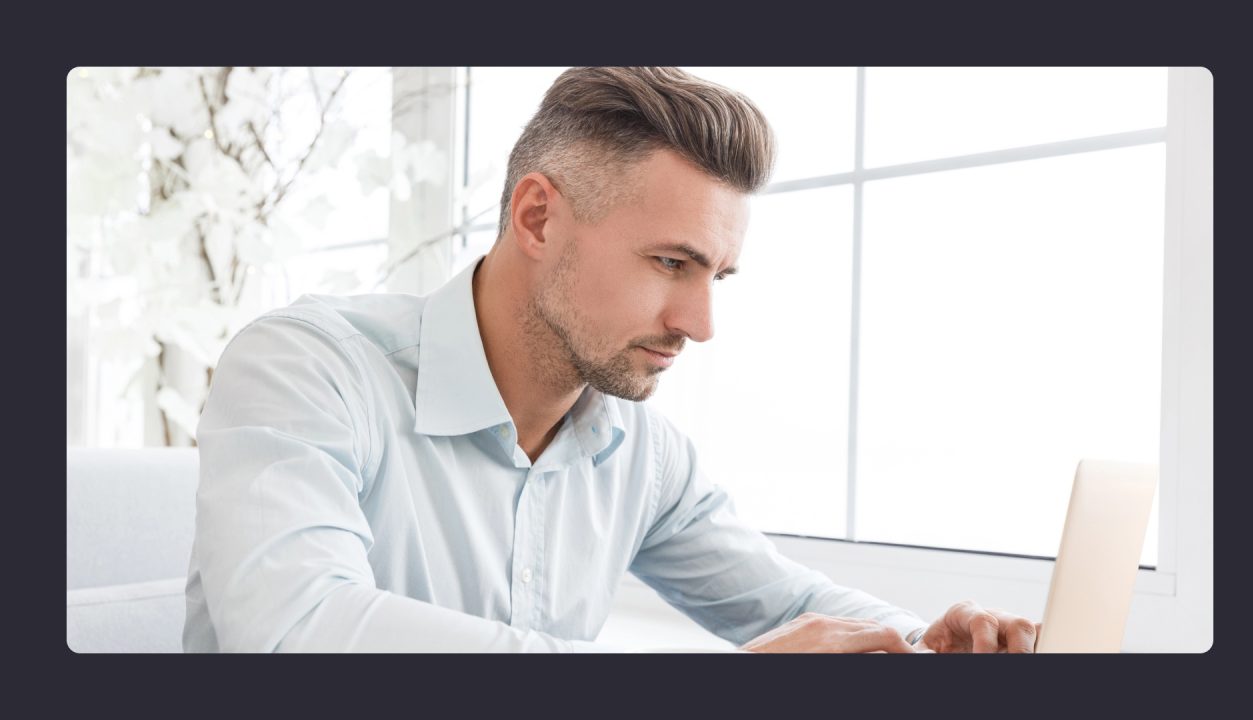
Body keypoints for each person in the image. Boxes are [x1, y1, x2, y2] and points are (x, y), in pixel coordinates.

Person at [183, 66, 1041, 653]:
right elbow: (296, 629)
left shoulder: (641, 453)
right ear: (538, 217)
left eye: (717, 275)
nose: (699, 324)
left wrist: (931, 639)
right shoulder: (306, 368)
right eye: (671, 263)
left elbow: (783, 605)